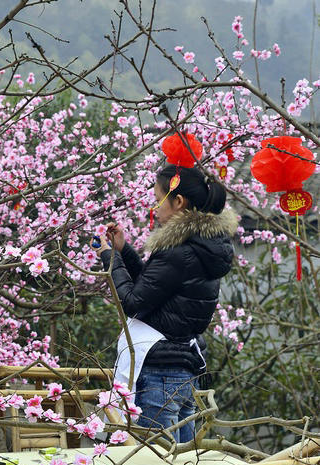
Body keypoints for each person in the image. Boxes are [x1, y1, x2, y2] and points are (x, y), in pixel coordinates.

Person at [97, 163, 237, 443]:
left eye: (158, 201)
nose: (155, 209)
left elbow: (133, 301)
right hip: (181, 372)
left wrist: (109, 258)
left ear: (178, 202)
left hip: (160, 374)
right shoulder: (201, 245)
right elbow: (154, 287)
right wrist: (125, 252)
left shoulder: (179, 251)